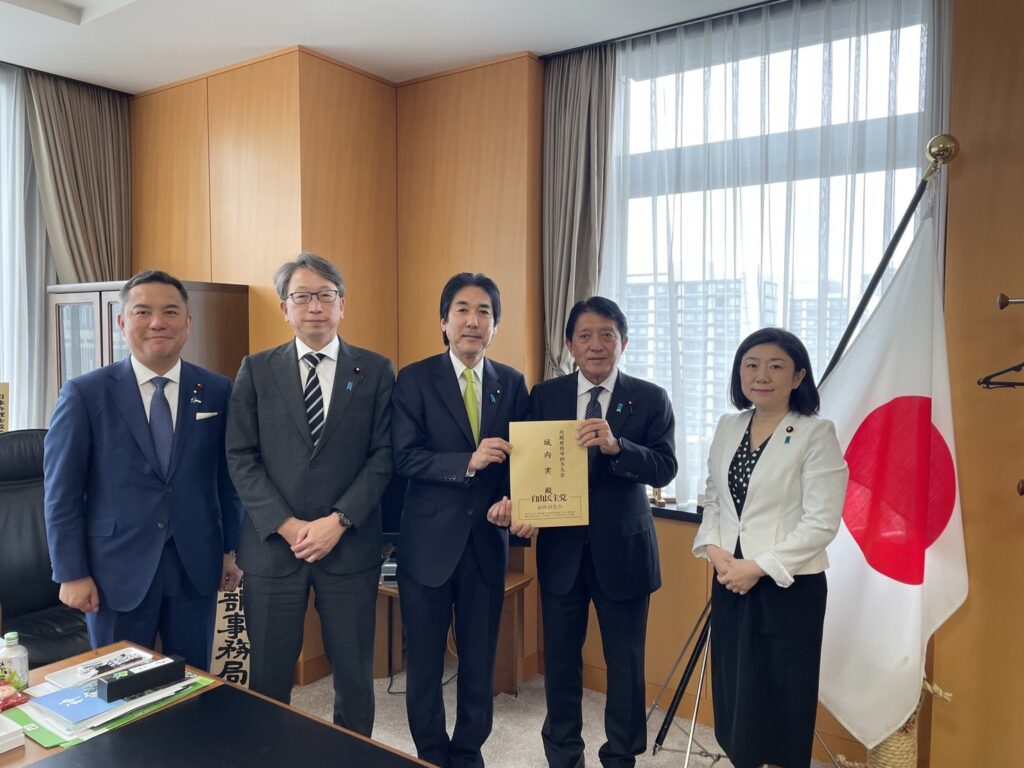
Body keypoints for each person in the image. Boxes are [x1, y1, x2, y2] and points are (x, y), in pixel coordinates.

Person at [225, 252, 393, 736]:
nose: (314, 306)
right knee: (268, 677)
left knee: (355, 679)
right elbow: (240, 456)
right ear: (285, 308)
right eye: (302, 297)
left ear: (342, 304)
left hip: (350, 546)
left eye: (325, 295)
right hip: (273, 548)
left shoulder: (375, 369)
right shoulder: (256, 369)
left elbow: (384, 456)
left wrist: (338, 521)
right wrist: (287, 524)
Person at [43, 269, 244, 671]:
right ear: (122, 322)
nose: (157, 322)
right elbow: (62, 493)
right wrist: (70, 572)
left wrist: (230, 550)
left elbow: (229, 480)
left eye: (170, 312)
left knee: (192, 680)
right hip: (114, 570)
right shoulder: (85, 393)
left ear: (188, 322)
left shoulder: (217, 390)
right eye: (142, 312)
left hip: (195, 563)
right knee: (119, 685)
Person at [521, 296, 677, 768]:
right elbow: (528, 463)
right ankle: (563, 754)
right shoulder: (544, 396)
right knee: (560, 662)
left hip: (624, 553)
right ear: (570, 345)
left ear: (623, 342)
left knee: (625, 666)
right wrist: (519, 503)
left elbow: (665, 467)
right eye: (585, 336)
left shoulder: (650, 397)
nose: (596, 345)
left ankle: (621, 756)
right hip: (561, 552)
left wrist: (617, 446)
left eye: (607, 335)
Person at [692, 327, 849, 768]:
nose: (762, 375)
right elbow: (714, 497)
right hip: (730, 578)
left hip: (787, 586)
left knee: (781, 694)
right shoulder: (729, 426)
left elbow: (821, 522)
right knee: (736, 689)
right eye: (751, 365)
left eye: (776, 366)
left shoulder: (815, 433)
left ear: (798, 376)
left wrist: (757, 566)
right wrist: (715, 552)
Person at [391, 272, 530, 768]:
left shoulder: (512, 382)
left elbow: (522, 460)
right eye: (463, 311)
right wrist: (468, 461)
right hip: (427, 545)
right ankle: (431, 753)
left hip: (486, 543)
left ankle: (469, 752)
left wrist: (513, 499)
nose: (473, 321)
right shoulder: (414, 379)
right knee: (424, 663)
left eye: (484, 312)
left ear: (496, 325)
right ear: (444, 322)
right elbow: (403, 457)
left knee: (479, 660)